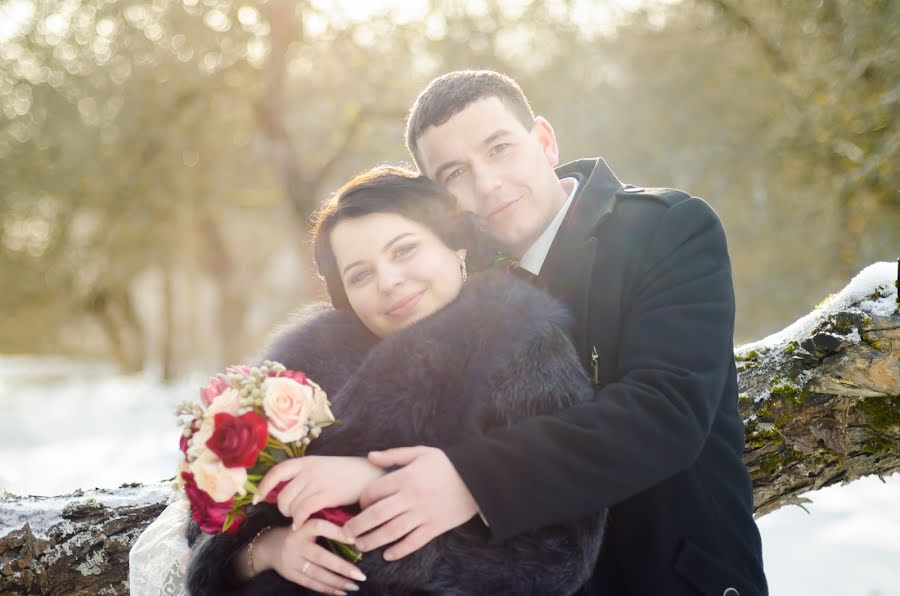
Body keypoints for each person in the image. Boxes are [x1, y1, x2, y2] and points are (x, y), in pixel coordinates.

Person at [335, 71, 768, 595]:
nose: (487, 183)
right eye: (455, 173)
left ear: (543, 140)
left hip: (672, 575)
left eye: (499, 148)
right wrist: (259, 548)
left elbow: (665, 412)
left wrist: (471, 480)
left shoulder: (666, 230)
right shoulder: (447, 283)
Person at [184, 166, 605, 595]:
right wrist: (266, 549)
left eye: (403, 250)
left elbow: (563, 547)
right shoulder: (297, 370)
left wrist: (376, 491)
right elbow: (206, 522)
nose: (389, 281)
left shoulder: (523, 342)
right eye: (361, 275)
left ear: (454, 244)